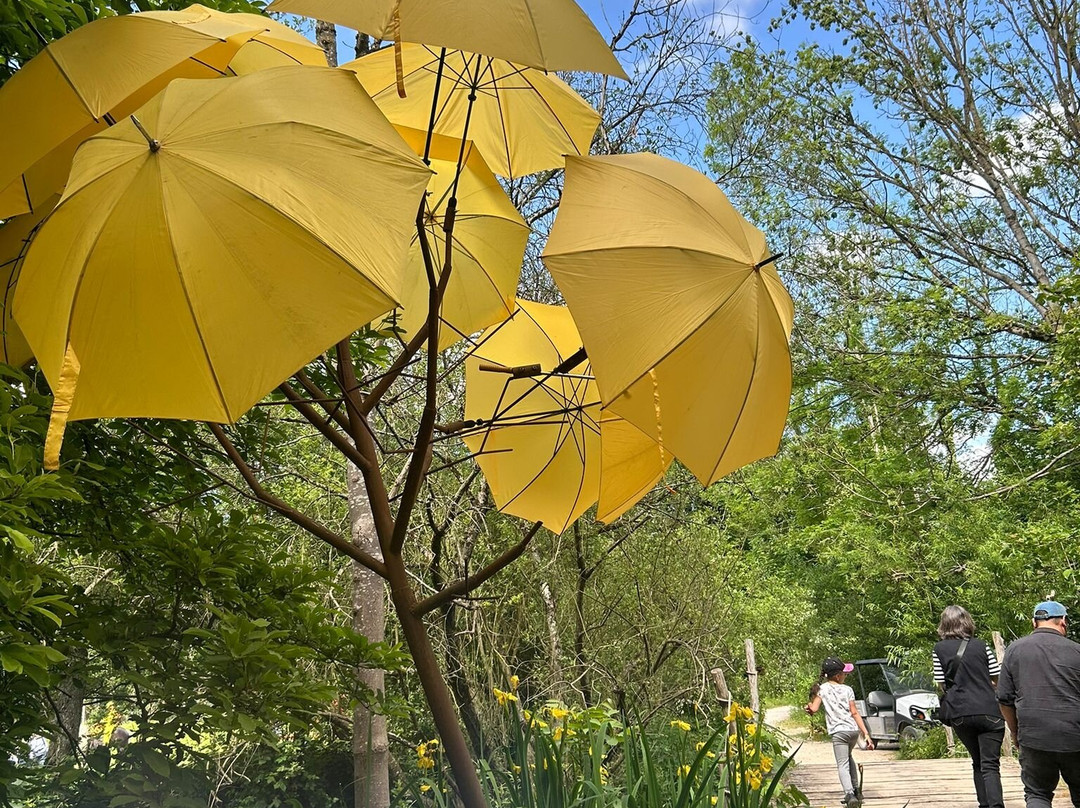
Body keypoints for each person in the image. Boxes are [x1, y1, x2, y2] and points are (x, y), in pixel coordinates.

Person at [998, 600, 1080, 807]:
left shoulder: (1014, 650)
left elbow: (1004, 699)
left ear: (1034, 622)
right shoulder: (1077, 651)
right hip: (1075, 736)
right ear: (1063, 621)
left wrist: (1016, 732)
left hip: (1034, 736)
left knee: (1038, 794)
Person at [933, 605, 1005, 808]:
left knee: (977, 762)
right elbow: (996, 676)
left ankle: (984, 805)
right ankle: (996, 805)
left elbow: (941, 683)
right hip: (989, 710)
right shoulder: (981, 645)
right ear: (967, 621)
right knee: (991, 764)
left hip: (960, 712)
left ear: (944, 624)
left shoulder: (939, 649)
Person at [806, 656, 876, 808]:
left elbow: (814, 708)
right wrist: (866, 734)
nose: (845, 675)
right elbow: (855, 712)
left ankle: (849, 794)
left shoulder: (821, 689)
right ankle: (857, 790)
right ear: (838, 676)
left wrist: (809, 708)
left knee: (842, 764)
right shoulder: (848, 690)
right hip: (853, 731)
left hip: (839, 732)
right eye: (844, 673)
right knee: (849, 758)